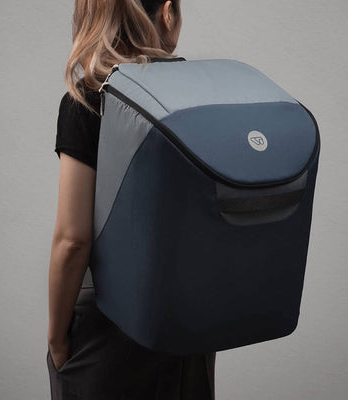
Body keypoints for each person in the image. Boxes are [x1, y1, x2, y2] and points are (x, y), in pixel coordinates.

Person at [46, 0, 216, 398]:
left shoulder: (90, 97)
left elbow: (73, 240)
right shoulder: (201, 95)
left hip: (108, 321)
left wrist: (57, 338)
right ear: (168, 13)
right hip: (187, 316)